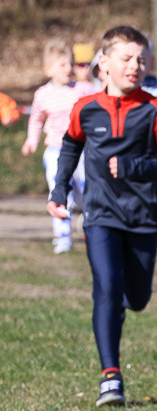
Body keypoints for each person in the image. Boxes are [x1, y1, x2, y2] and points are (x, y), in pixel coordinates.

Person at [46, 25, 157, 407]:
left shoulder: (154, 109)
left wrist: (134, 165)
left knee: (136, 298)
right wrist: (59, 189)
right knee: (106, 288)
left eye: (141, 59)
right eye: (126, 58)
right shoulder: (85, 108)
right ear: (103, 63)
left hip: (142, 216)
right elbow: (70, 145)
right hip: (100, 214)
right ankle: (111, 376)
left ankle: (121, 303)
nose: (135, 66)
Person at [22, 38, 98, 254]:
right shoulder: (42, 95)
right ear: (49, 69)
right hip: (56, 150)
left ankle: (89, 223)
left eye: (70, 64)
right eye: (62, 65)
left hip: (82, 151)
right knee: (59, 191)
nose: (69, 69)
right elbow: (36, 120)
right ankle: (62, 236)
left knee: (85, 188)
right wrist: (31, 141)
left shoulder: (83, 89)